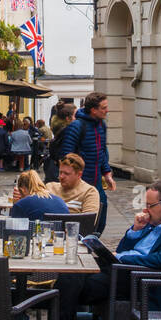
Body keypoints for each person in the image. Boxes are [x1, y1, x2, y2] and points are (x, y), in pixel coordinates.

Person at [56, 181, 161, 320]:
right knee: (71, 275)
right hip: (121, 272)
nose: (146, 210)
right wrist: (136, 230)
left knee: (67, 288)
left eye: (150, 206)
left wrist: (123, 259)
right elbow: (123, 249)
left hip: (141, 283)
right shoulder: (151, 223)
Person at [58, 93, 116, 234]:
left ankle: (91, 242)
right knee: (82, 220)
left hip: (96, 181)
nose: (106, 110)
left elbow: (101, 151)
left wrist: (107, 174)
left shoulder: (102, 125)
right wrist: (71, 177)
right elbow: (66, 156)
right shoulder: (77, 126)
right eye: (103, 108)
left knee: (100, 217)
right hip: (80, 182)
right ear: (93, 110)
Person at [46, 153, 101, 218]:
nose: (61, 176)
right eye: (60, 172)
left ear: (79, 175)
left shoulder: (89, 192)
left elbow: (88, 222)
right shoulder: (50, 187)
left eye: (66, 174)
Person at [44, 102, 76, 183]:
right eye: (76, 116)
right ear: (68, 119)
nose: (78, 118)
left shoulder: (60, 129)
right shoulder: (68, 132)